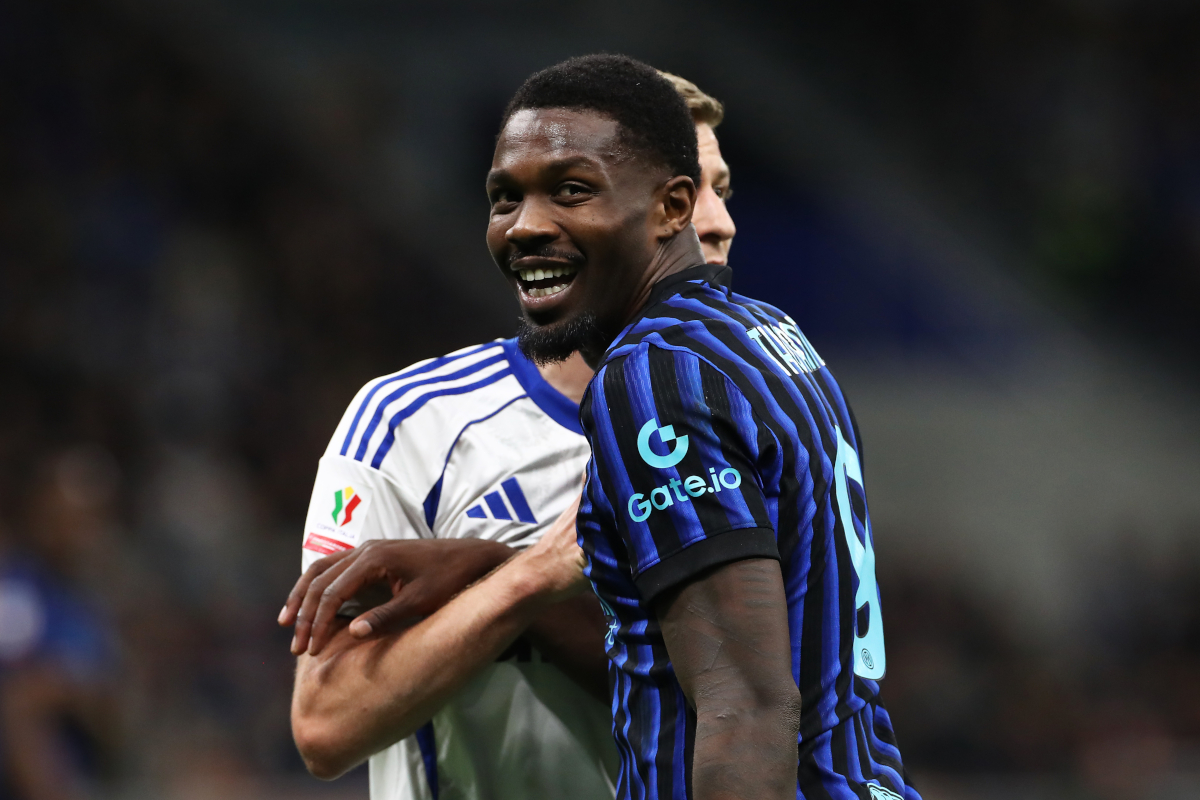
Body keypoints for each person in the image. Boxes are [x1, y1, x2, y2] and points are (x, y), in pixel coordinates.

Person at [281, 72, 739, 800]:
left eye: (722, 190)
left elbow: (750, 711)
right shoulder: (410, 424)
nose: (718, 224)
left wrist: (492, 569)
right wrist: (529, 575)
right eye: (689, 194)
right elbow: (326, 724)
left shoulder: (755, 430)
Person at [480, 54, 921, 800]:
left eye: (571, 191)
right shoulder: (770, 334)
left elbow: (747, 706)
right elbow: (694, 615)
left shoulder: (652, 379)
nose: (526, 227)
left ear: (671, 207)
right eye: (503, 199)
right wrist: (468, 568)